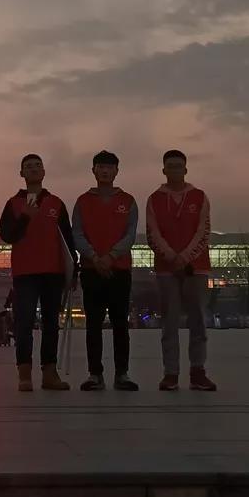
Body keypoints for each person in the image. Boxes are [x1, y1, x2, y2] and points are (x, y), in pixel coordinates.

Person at [0, 153, 78, 392]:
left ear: (43, 172)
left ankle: (49, 373)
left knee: (51, 323)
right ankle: (24, 373)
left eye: (37, 166)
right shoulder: (14, 204)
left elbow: (68, 240)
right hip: (25, 273)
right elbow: (7, 235)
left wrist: (73, 270)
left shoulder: (56, 203)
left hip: (53, 272)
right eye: (28, 166)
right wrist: (25, 218)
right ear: (21, 173)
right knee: (24, 323)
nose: (33, 169)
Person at [146, 150, 217, 391]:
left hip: (196, 268)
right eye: (170, 166)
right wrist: (170, 257)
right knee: (169, 322)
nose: (175, 170)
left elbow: (203, 232)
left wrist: (185, 257)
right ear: (163, 170)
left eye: (179, 166)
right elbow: (153, 234)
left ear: (186, 169)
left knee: (198, 320)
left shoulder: (199, 197)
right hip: (166, 270)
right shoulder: (154, 199)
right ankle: (171, 373)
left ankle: (198, 372)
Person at [72, 151, 139, 392]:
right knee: (93, 323)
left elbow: (130, 235)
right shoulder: (83, 201)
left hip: (119, 270)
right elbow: (77, 233)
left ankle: (122, 373)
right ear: (93, 170)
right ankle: (95, 374)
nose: (105, 171)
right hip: (92, 270)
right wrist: (94, 257)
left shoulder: (128, 201)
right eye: (100, 167)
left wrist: (111, 257)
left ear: (116, 171)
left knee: (120, 323)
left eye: (109, 167)